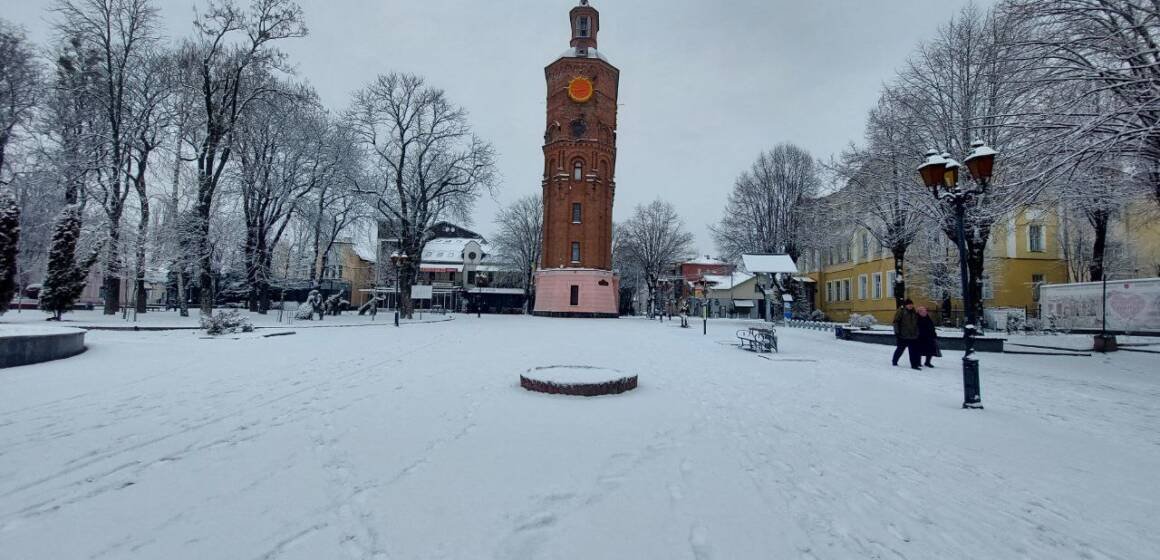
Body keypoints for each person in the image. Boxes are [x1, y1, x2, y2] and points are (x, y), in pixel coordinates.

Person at [891, 298, 921, 369]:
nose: (910, 306)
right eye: (909, 304)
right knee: (900, 349)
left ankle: (914, 365)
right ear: (906, 305)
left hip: (913, 335)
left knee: (913, 351)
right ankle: (894, 361)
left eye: (911, 304)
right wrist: (897, 332)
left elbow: (917, 323)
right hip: (903, 335)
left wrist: (917, 332)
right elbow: (896, 322)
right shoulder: (901, 311)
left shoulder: (914, 312)